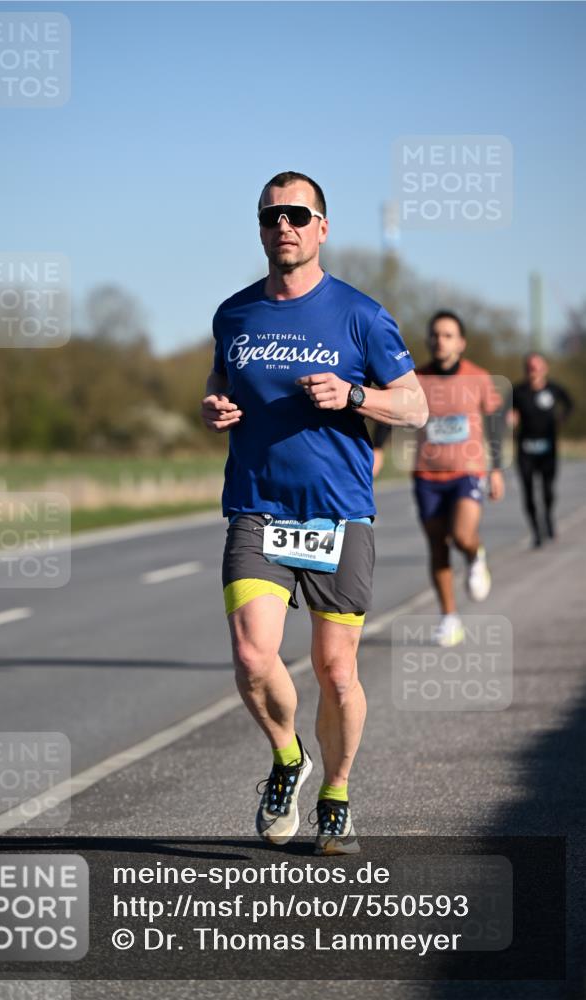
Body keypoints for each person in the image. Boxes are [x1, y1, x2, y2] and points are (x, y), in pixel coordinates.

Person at [201, 171, 427, 855]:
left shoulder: (360, 314)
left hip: (338, 512)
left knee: (336, 671)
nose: (284, 226)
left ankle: (337, 793)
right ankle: (286, 758)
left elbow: (415, 405)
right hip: (257, 506)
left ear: (322, 228)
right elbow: (221, 377)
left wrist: (355, 396)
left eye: (297, 215)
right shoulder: (233, 314)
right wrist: (214, 404)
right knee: (252, 654)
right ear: (260, 228)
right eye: (271, 216)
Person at [373, 311, 505, 647]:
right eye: (435, 335)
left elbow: (495, 422)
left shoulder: (478, 377)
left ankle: (475, 555)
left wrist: (496, 469)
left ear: (461, 343)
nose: (440, 341)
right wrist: (377, 448)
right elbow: (391, 410)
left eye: (447, 335)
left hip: (467, 471)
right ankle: (449, 617)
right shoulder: (416, 378)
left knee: (461, 534)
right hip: (427, 474)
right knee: (436, 544)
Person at [511, 352, 573, 547]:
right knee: (528, 491)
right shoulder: (517, 392)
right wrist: (511, 419)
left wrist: (562, 417)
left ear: (545, 369)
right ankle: (536, 531)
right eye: (530, 367)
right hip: (525, 449)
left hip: (548, 448)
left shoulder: (554, 389)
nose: (534, 370)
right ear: (526, 370)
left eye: (537, 367)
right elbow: (507, 412)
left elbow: (569, 404)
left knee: (547, 490)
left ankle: (548, 517)